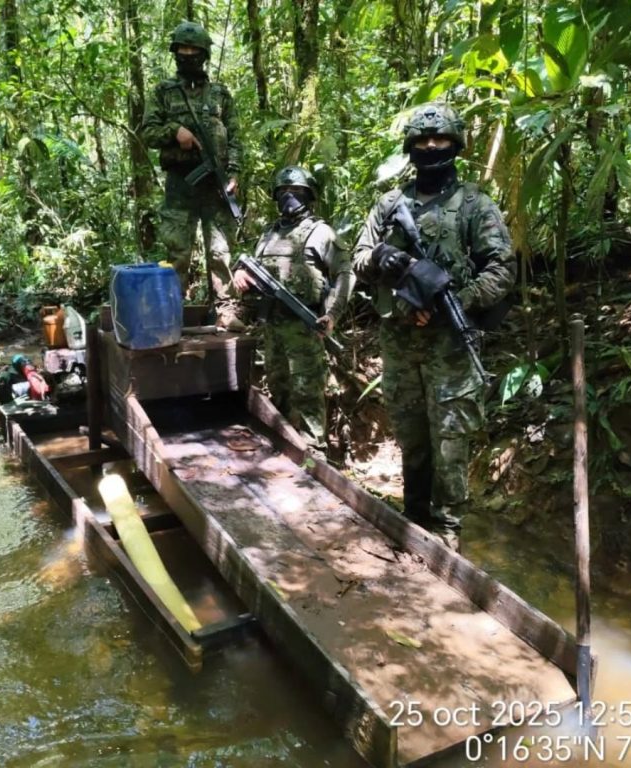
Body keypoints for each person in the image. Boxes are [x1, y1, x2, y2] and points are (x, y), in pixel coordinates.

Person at [352, 103, 515, 548]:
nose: (430, 146)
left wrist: (457, 301)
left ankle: (446, 532)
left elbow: (501, 268)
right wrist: (383, 260)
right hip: (401, 341)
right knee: (411, 434)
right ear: (410, 146)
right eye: (422, 140)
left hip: (449, 346)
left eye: (439, 139)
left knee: (450, 440)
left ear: (455, 144)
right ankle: (413, 518)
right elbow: (359, 258)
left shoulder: (475, 206)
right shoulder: (389, 205)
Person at [232, 166, 353, 450]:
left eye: (297, 191)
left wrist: (332, 314)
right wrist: (240, 275)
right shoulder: (269, 234)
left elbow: (345, 274)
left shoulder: (321, 233)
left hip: (304, 325)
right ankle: (284, 445)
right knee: (278, 389)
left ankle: (315, 453)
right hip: (271, 326)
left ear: (309, 195)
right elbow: (252, 270)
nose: (289, 196)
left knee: (309, 393)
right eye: (283, 192)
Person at [140, 20, 241, 313]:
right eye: (181, 49)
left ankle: (225, 311)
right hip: (180, 185)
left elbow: (235, 136)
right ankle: (170, 313)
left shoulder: (220, 94)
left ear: (203, 53)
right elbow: (148, 133)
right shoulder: (163, 91)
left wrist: (233, 171)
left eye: (193, 49)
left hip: (216, 186)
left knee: (220, 252)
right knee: (178, 253)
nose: (187, 54)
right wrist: (175, 131)